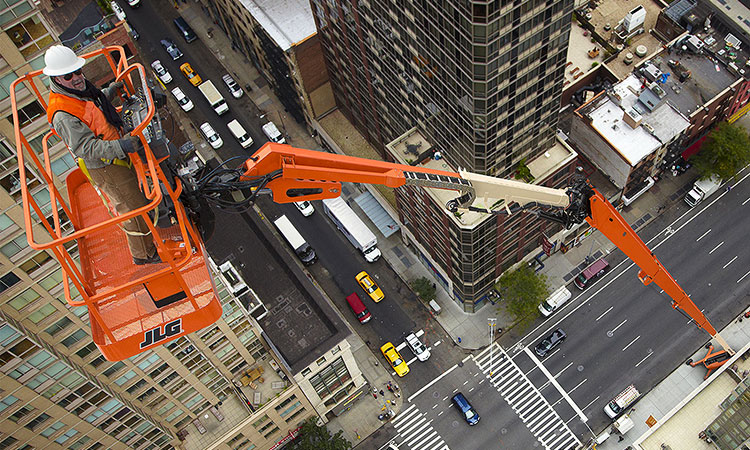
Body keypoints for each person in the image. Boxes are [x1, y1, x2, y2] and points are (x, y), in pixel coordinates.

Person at [43, 45, 160, 265]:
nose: (77, 77)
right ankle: (144, 255)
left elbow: (93, 109)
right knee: (134, 208)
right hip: (105, 164)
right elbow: (84, 147)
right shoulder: (62, 114)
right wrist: (122, 147)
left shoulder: (80, 91)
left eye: (78, 71)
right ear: (57, 79)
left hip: (113, 150)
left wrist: (109, 92)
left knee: (137, 198)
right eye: (69, 75)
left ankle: (148, 244)